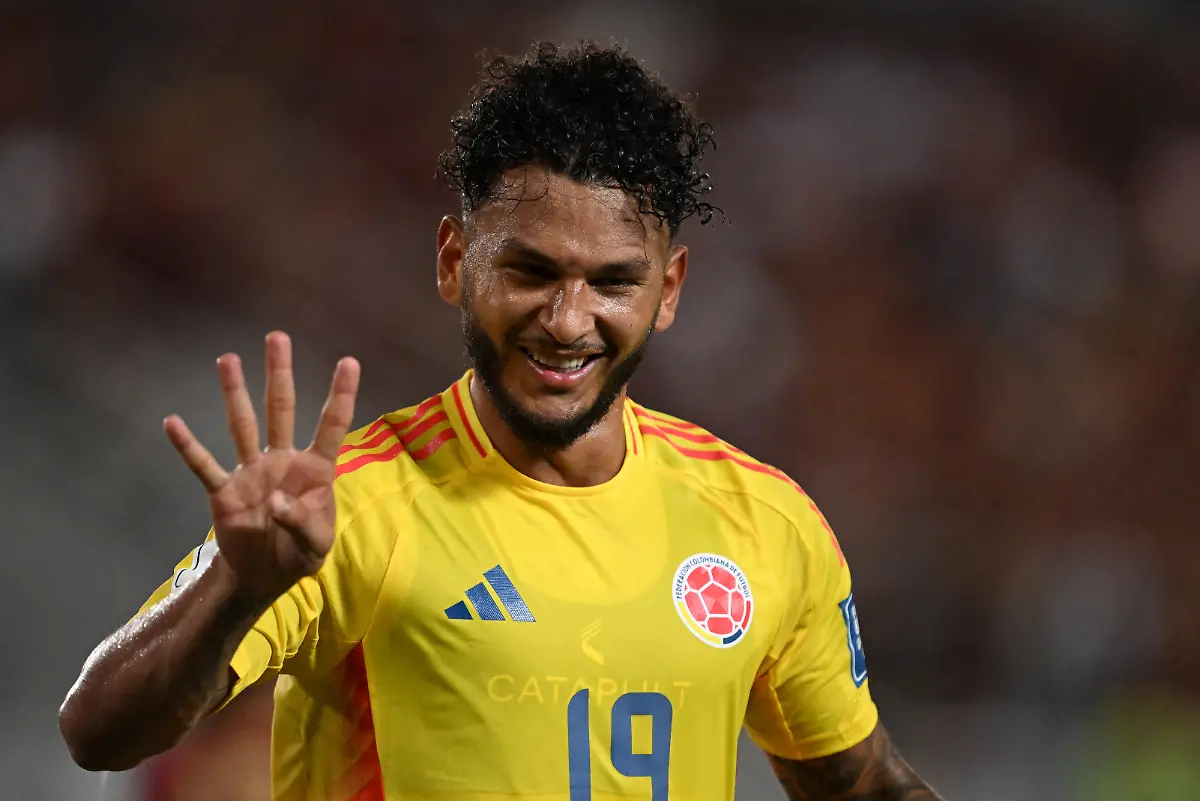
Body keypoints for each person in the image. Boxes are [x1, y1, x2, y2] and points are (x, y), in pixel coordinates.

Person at [59, 42, 943, 801]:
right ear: (455, 261)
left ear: (668, 291)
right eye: (530, 270)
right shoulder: (350, 507)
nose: (567, 319)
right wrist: (240, 588)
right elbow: (98, 730)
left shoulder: (763, 523)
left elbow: (859, 784)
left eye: (612, 282)